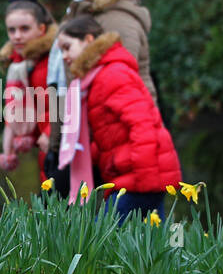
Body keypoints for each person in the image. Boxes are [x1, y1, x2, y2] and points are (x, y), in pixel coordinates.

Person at [55, 16, 181, 223]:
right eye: (61, 50)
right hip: (134, 175)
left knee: (100, 241)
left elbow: (143, 125)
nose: (64, 56)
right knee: (151, 247)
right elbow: (110, 135)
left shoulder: (112, 74)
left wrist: (145, 180)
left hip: (139, 178)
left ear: (88, 40)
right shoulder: (96, 78)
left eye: (67, 47)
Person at [0, 0, 61, 192]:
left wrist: (50, 133)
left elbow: (64, 105)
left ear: (41, 29)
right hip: (46, 148)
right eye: (11, 30)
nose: (17, 36)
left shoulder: (52, 60)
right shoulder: (21, 65)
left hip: (60, 146)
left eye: (25, 29)